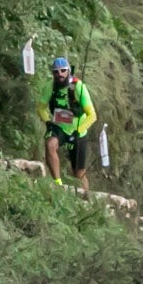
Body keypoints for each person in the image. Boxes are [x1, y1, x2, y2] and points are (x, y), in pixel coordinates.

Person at [42, 57, 96, 198]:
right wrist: (47, 121)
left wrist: (78, 131)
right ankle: (57, 183)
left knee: (79, 173)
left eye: (63, 71)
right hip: (59, 127)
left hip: (78, 130)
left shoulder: (78, 87)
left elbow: (92, 115)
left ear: (69, 71)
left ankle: (86, 199)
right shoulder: (50, 86)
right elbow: (40, 107)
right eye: (56, 72)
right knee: (50, 144)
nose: (60, 74)